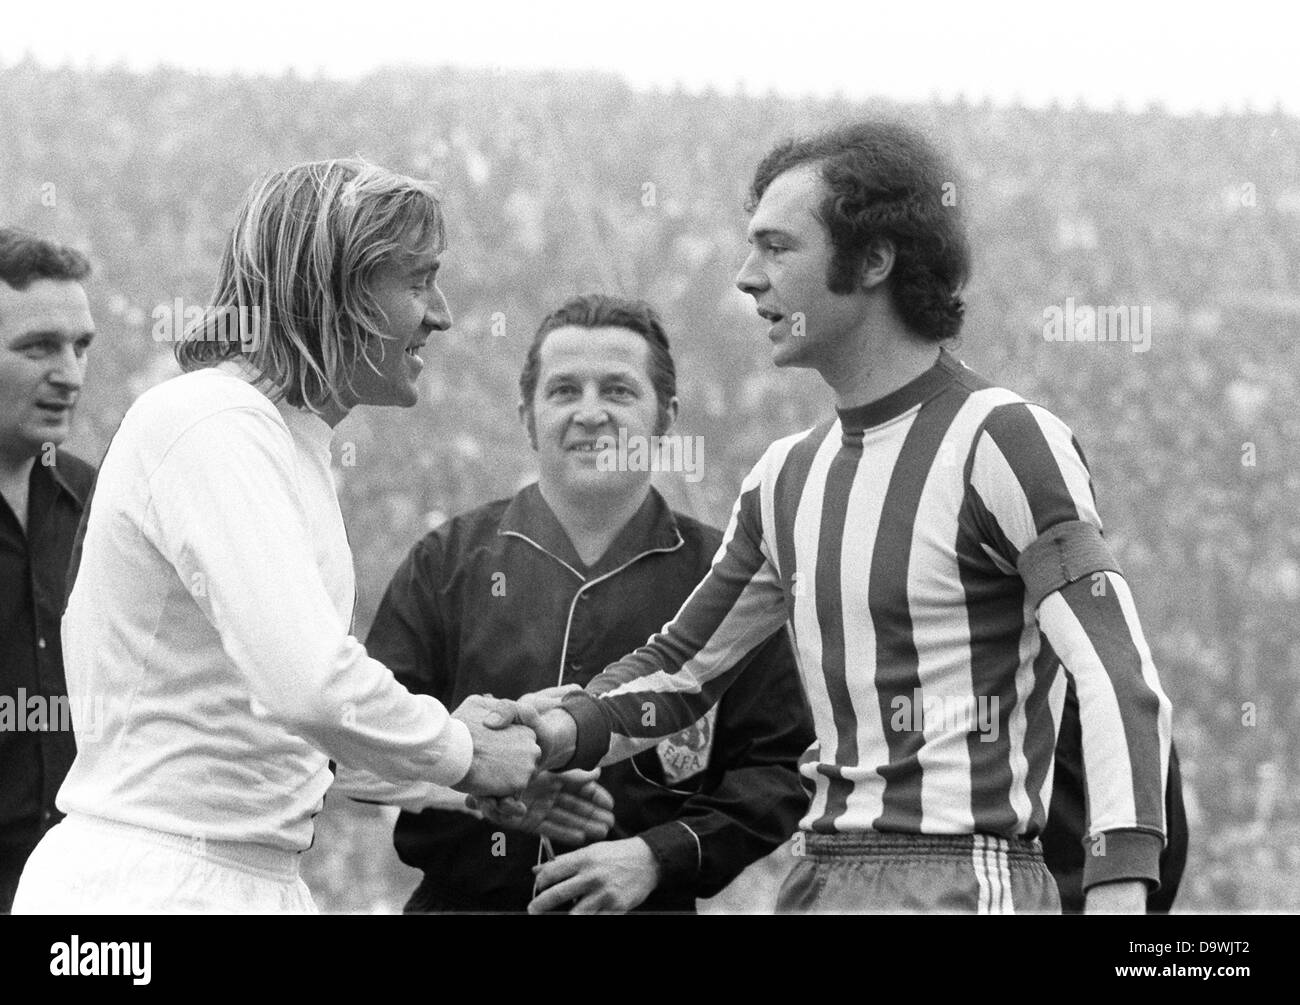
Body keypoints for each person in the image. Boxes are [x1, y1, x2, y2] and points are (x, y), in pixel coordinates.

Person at [524, 121, 1173, 915]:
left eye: (777, 248)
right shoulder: (783, 477)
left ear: (872, 260)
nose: (745, 277)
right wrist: (557, 726)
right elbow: (683, 669)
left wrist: (1121, 887)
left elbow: (1117, 674)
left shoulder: (1004, 440)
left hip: (963, 876)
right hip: (819, 874)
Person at [12, 159, 539, 914]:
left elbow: (276, 734)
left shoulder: (284, 443)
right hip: (153, 886)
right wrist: (462, 749)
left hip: (231, 877)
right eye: (419, 281)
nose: (443, 314)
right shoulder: (211, 421)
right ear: (337, 286)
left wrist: (458, 776)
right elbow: (310, 685)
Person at [365, 293, 814, 914]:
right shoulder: (448, 563)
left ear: (666, 416)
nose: (590, 413)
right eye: (564, 390)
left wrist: (658, 854)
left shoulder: (723, 575)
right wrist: (477, 785)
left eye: (619, 391)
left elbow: (782, 766)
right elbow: (360, 745)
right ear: (527, 417)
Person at [0, 229, 97, 913]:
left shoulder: (104, 500)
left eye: (80, 346)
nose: (71, 372)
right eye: (39, 347)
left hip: (80, 893)